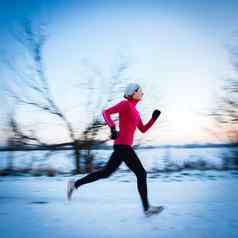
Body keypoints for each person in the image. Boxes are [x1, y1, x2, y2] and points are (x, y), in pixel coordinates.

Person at [67, 83, 163, 216]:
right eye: (140, 90)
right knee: (141, 174)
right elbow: (105, 113)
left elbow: (143, 129)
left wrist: (153, 119)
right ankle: (147, 209)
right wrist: (112, 127)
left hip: (123, 147)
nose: (142, 93)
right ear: (132, 93)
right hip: (122, 146)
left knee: (105, 173)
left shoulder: (136, 112)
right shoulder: (125, 104)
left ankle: (74, 184)